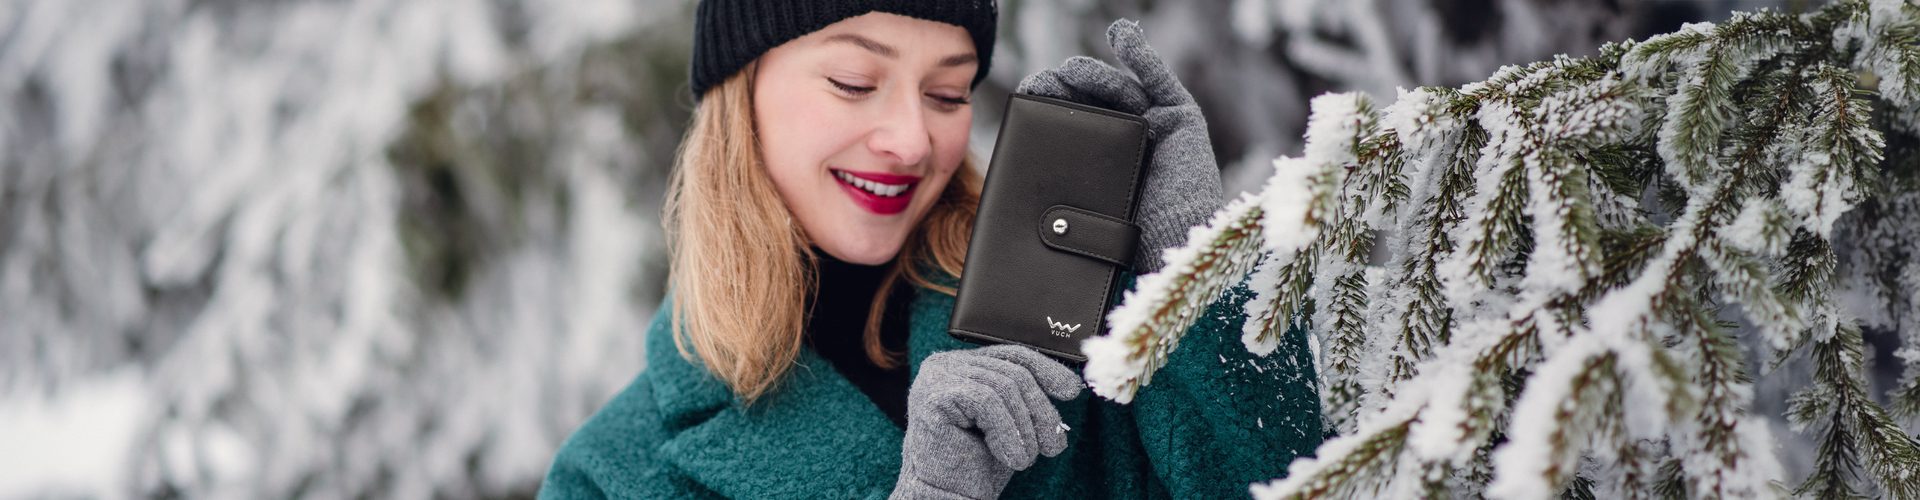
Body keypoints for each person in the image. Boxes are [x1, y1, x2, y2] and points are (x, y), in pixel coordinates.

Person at [539, 1, 1323, 498]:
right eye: (854, 81)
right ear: (740, 97)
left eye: (947, 94)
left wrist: (1199, 266)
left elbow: (1302, 481)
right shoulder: (609, 477)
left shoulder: (1095, 323)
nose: (913, 140)